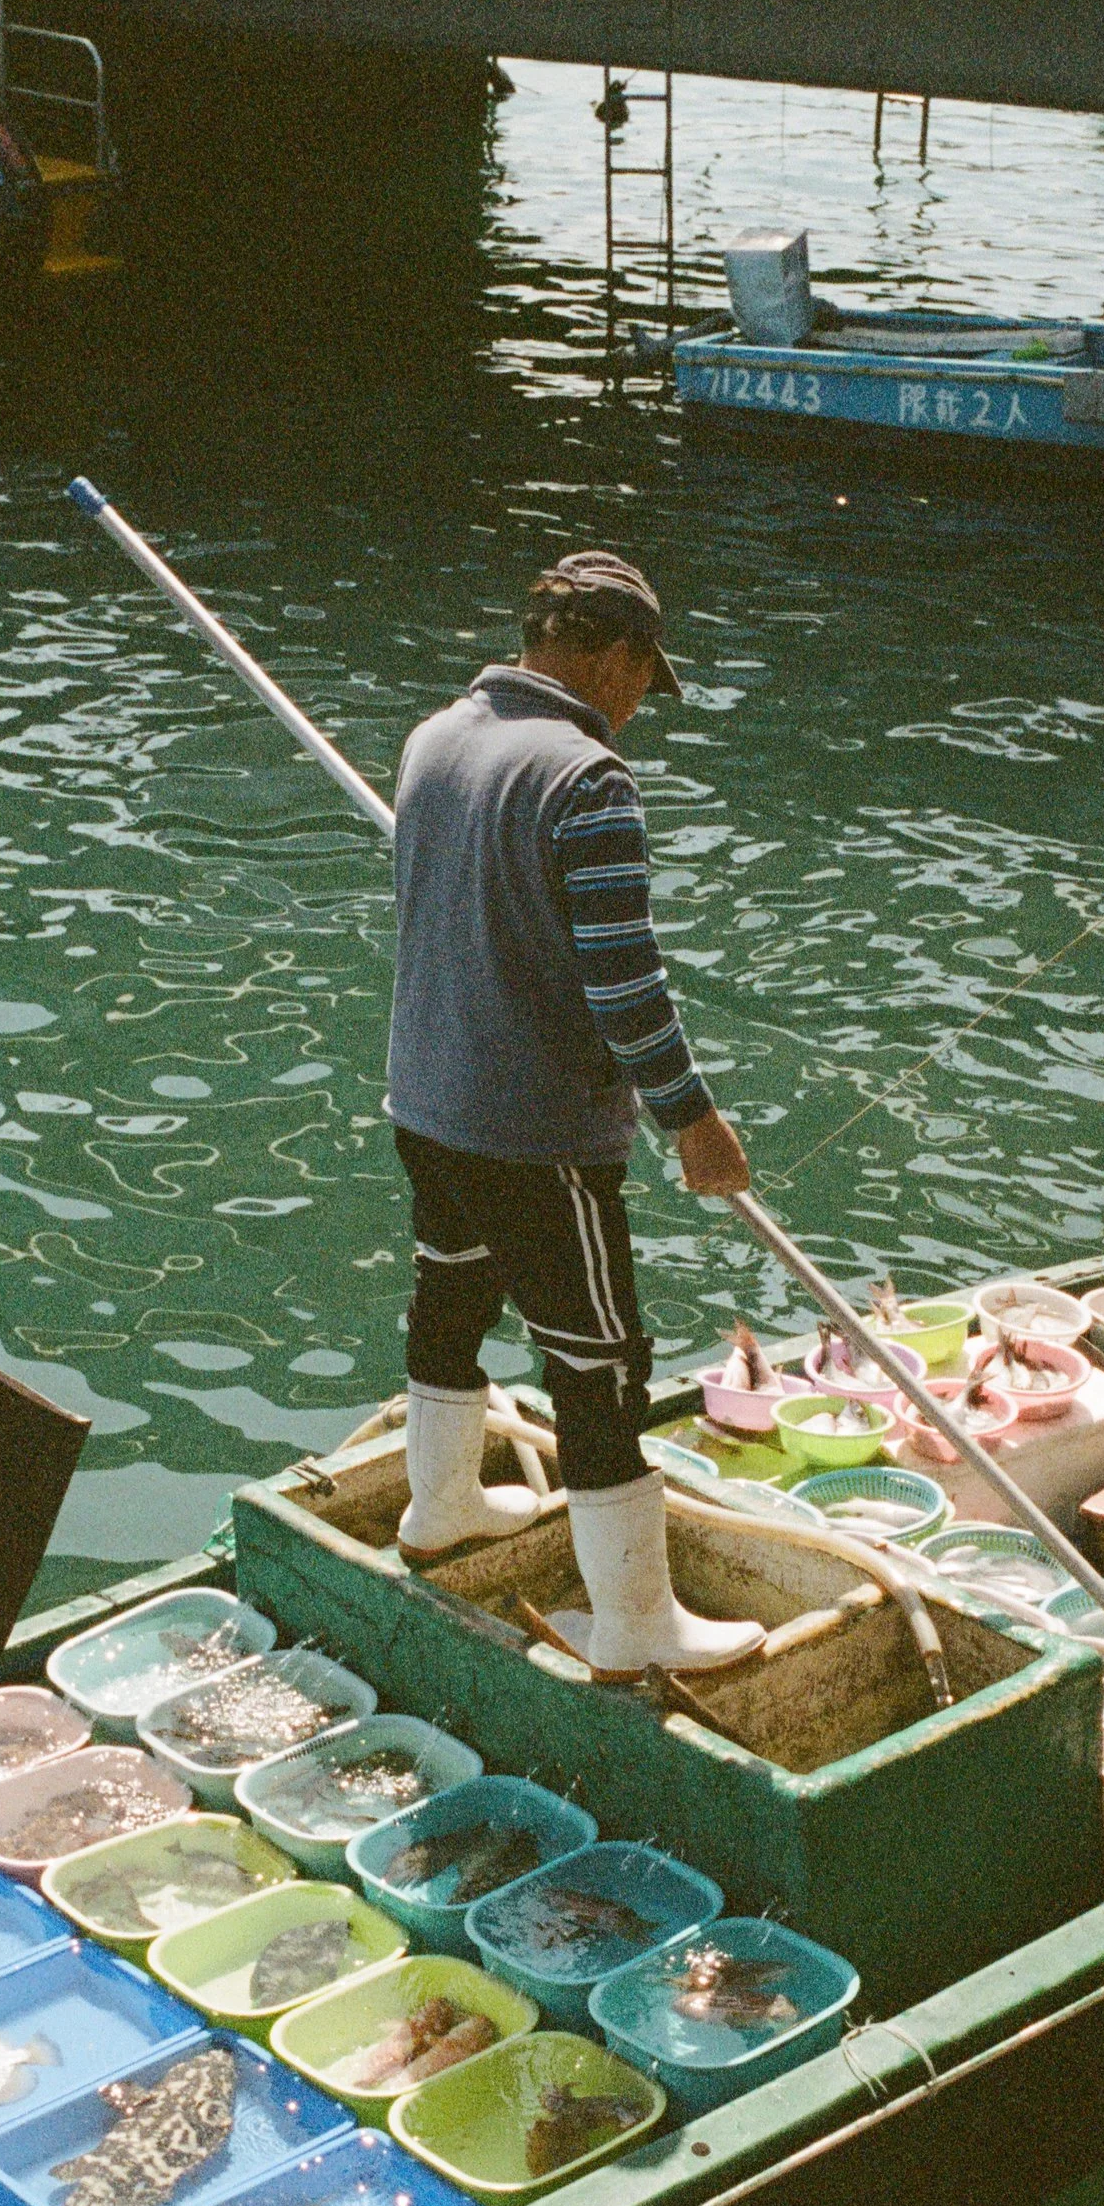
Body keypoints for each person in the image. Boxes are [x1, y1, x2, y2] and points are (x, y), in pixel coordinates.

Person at [384, 549, 765, 1679]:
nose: (640, 706)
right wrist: (692, 1118)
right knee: (599, 1363)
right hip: (532, 1131)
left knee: (450, 1289)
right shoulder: (589, 779)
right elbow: (623, 983)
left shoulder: (434, 736)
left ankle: (439, 1506)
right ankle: (639, 1625)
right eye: (645, 677)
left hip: (427, 1097)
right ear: (610, 653)